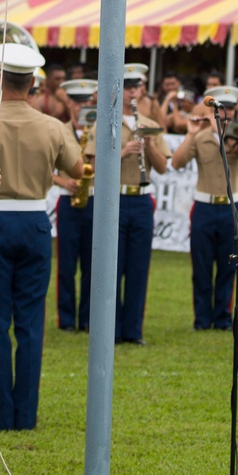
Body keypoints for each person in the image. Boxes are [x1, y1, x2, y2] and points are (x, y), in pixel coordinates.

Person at [0, 43, 84, 428]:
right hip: (34, 224)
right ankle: (25, 414)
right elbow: (77, 170)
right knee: (30, 321)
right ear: (33, 83)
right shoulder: (52, 126)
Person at [84, 63, 169, 345]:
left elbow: (163, 168)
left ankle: (133, 331)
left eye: (136, 87)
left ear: (142, 89)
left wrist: (149, 145)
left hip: (141, 199)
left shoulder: (150, 124)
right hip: (113, 199)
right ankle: (110, 329)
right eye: (128, 86)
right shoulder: (103, 121)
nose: (132, 92)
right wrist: (123, 152)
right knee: (111, 267)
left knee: (137, 268)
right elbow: (94, 166)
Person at [171, 98, 238, 330]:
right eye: (220, 111)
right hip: (204, 206)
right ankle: (202, 318)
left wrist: (224, 133)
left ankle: (223, 318)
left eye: (230, 111)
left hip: (230, 207)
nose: (226, 115)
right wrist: (192, 132)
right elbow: (177, 162)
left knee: (229, 265)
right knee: (202, 266)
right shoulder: (200, 137)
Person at [54, 77, 97, 333]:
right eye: (77, 102)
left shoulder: (98, 129)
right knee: (66, 264)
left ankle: (89, 318)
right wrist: (62, 180)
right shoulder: (58, 129)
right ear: (69, 103)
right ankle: (67, 319)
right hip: (69, 201)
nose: (81, 107)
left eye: (86, 102)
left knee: (92, 264)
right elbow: (45, 167)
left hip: (93, 200)